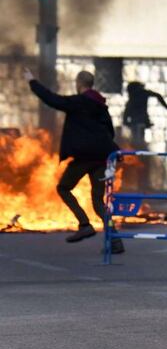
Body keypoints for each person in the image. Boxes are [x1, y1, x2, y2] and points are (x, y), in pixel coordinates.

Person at [23, 68, 124, 253]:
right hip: (103, 158)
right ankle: (116, 241)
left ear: (79, 84)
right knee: (99, 202)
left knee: (63, 188)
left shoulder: (78, 102)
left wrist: (32, 81)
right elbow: (110, 131)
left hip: (84, 157)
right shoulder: (101, 105)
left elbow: (52, 99)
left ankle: (84, 225)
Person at [123, 81, 167, 149]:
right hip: (140, 121)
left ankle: (139, 153)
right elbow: (157, 95)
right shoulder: (142, 94)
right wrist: (166, 106)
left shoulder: (134, 96)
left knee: (137, 140)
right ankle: (138, 152)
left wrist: (125, 121)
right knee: (137, 140)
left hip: (137, 121)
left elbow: (127, 111)